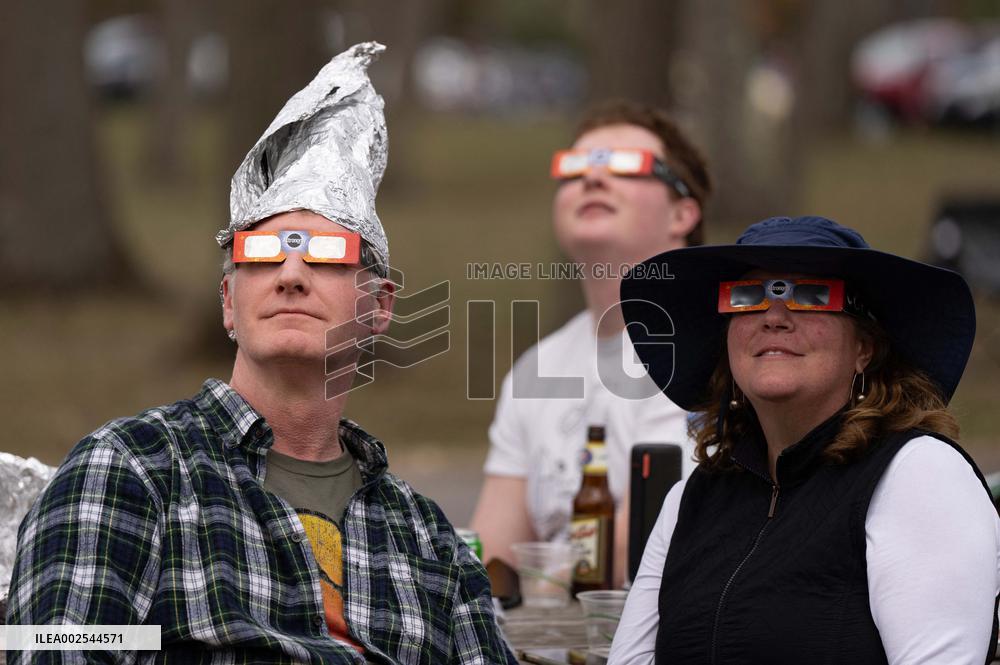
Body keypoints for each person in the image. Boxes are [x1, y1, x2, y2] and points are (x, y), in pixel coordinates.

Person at [6, 43, 515, 665]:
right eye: (261, 255)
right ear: (228, 302)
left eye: (326, 255)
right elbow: (60, 648)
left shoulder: (427, 537)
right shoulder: (131, 472)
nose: (291, 274)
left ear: (379, 306)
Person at [609, 215, 1000, 663]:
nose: (774, 315)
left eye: (812, 296)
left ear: (864, 348)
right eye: (748, 297)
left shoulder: (919, 477)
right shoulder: (691, 499)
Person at [470, 101, 712, 587]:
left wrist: (525, 588)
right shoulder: (537, 368)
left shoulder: (714, 350)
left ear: (683, 212)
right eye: (575, 166)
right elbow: (490, 557)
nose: (593, 178)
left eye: (624, 165)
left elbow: (638, 546)